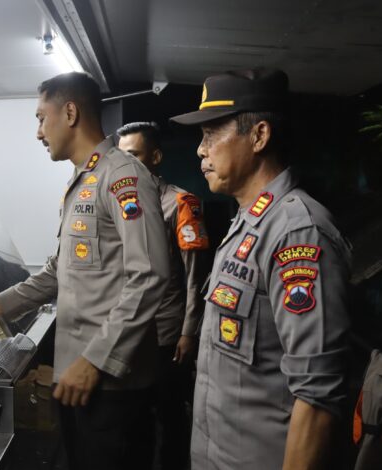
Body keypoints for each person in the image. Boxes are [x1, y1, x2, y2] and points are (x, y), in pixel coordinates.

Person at [0, 72, 170, 470]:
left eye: (40, 118)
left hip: (108, 382)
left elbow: (150, 275)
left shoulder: (123, 176)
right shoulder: (84, 179)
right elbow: (58, 270)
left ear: (70, 113)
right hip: (79, 376)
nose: (38, 132)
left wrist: (95, 360)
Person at [170, 67, 351, 469]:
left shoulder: (298, 233)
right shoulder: (249, 222)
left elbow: (317, 396)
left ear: (259, 136)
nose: (200, 150)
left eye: (211, 134)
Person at [117, 121, 208, 470]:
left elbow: (195, 276)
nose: (126, 166)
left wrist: (189, 331)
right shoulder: (122, 203)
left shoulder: (180, 203)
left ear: (155, 157)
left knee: (170, 415)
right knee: (134, 418)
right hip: (129, 330)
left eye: (134, 156)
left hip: (167, 333)